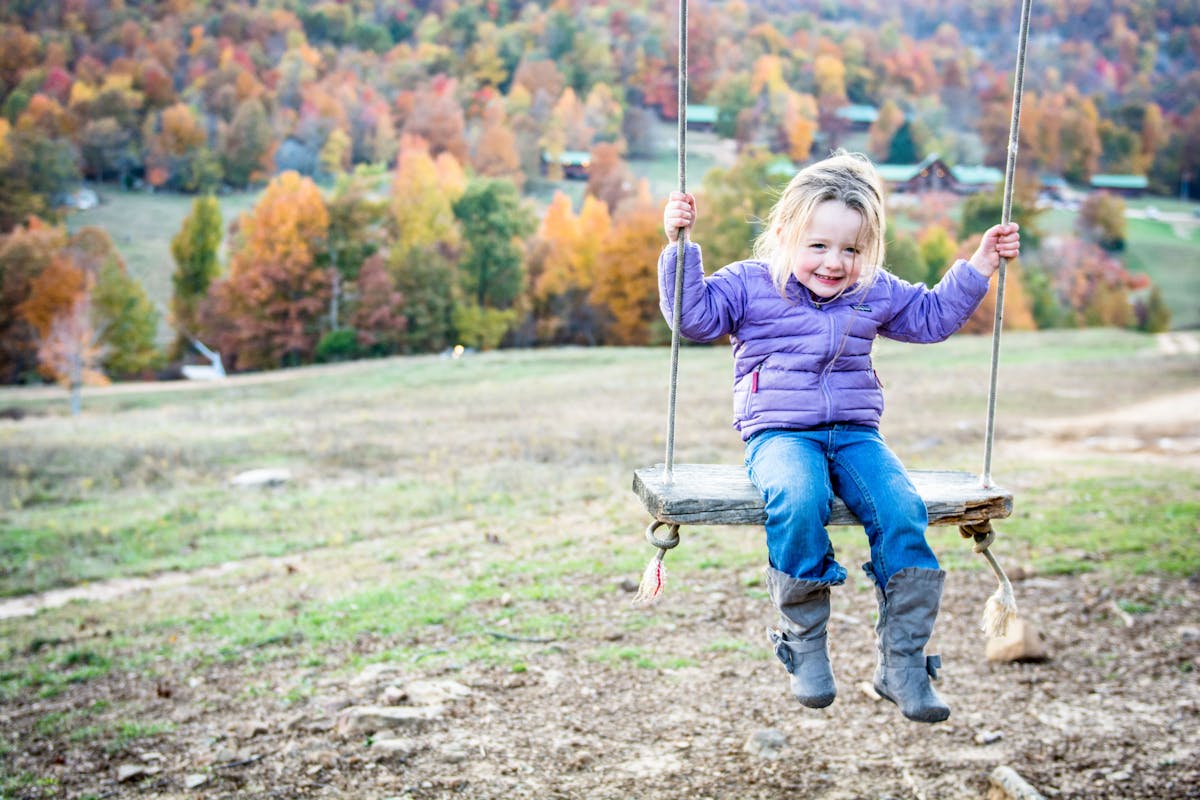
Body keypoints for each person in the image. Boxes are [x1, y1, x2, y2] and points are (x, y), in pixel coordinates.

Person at [658, 150, 1020, 723]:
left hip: (855, 435)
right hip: (779, 435)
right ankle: (804, 645)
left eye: (851, 249)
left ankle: (901, 663)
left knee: (902, 508)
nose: (834, 263)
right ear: (784, 235)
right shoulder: (749, 285)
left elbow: (930, 318)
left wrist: (977, 267)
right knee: (798, 498)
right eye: (819, 246)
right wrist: (679, 248)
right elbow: (693, 317)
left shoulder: (872, 290)